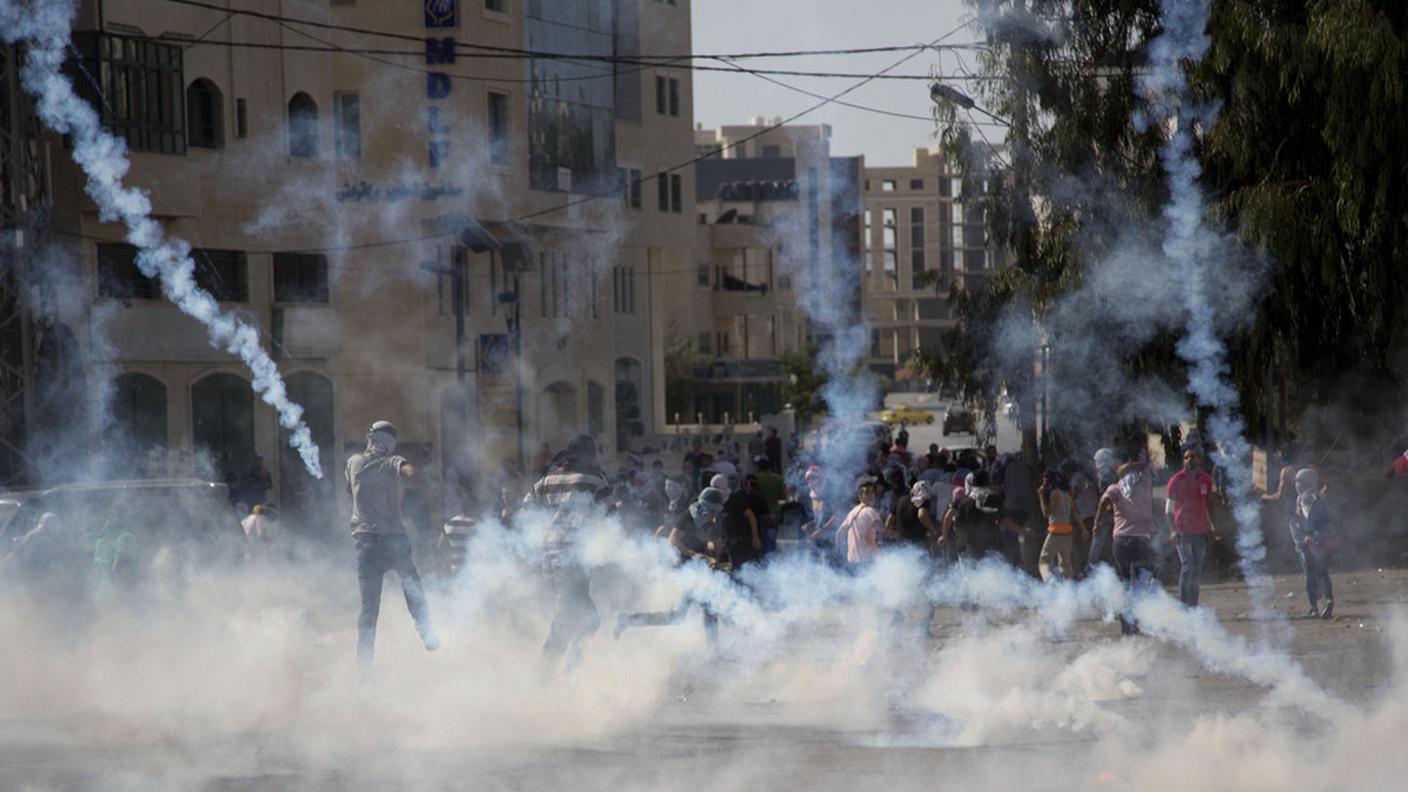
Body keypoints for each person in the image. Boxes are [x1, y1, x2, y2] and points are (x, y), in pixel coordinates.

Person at [346, 420, 439, 671]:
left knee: (369, 609)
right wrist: (421, 481)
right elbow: (409, 471)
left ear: (370, 438)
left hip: (365, 545)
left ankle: (363, 665)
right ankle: (427, 633)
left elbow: (350, 489)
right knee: (412, 585)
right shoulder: (391, 461)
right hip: (393, 539)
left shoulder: (353, 462)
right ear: (389, 443)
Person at [527, 434, 614, 669]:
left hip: (551, 556)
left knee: (587, 619)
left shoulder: (546, 479)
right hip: (574, 557)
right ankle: (545, 670)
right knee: (569, 617)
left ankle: (568, 668)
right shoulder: (595, 479)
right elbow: (610, 516)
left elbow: (527, 510)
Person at [1093, 457, 1155, 635]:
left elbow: (1144, 465)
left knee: (1135, 583)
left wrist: (1126, 467)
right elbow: (1103, 502)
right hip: (1128, 541)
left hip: (1132, 540)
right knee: (1132, 583)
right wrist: (1097, 523)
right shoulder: (1121, 488)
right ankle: (1129, 623)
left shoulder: (1140, 484)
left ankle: (1132, 622)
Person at [1165, 446, 1220, 607]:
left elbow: (1209, 505)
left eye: (1193, 457)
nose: (1189, 460)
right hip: (1182, 531)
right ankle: (1183, 605)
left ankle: (1193, 605)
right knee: (1187, 566)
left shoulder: (1206, 480)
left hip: (1200, 532)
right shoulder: (1176, 480)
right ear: (1183, 461)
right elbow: (1168, 508)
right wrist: (1172, 530)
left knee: (1196, 569)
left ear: (1199, 460)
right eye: (1186, 457)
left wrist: (1213, 525)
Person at [1289, 468, 1337, 619]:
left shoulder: (1307, 498)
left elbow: (1310, 518)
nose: (1297, 484)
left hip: (1312, 541)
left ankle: (1314, 607)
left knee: (1310, 573)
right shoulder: (1317, 496)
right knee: (1323, 571)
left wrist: (1308, 535)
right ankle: (1328, 600)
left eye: (1300, 481)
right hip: (1324, 538)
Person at [946, 471, 1002, 561]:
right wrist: (1023, 531)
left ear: (973, 483)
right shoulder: (995, 500)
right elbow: (1004, 522)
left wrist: (969, 540)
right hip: (993, 546)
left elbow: (957, 527)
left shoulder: (965, 501)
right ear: (988, 482)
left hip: (974, 548)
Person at [1037, 469, 1079, 581]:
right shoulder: (1067, 494)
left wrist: (1041, 496)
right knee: (1066, 565)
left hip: (1056, 533)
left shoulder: (1054, 493)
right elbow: (1075, 512)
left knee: (1044, 561)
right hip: (1068, 534)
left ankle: (1050, 582)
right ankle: (1069, 589)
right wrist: (1083, 528)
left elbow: (1046, 513)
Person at [1086, 448, 1119, 573]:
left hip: (1106, 514)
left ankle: (1090, 570)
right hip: (1116, 514)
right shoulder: (1115, 473)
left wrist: (1098, 519)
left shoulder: (1104, 476)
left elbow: (1104, 498)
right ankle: (1113, 571)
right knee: (1114, 544)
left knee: (1097, 543)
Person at [839, 479, 882, 567]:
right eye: (867, 492)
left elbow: (839, 534)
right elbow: (882, 529)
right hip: (867, 560)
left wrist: (840, 552)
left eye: (872, 492)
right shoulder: (869, 511)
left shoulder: (852, 512)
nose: (871, 495)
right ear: (860, 496)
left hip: (852, 561)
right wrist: (895, 534)